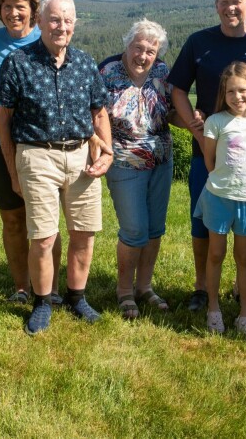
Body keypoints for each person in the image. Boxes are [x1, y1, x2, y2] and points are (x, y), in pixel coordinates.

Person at [0, 0, 114, 335]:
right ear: (40, 22)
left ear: (74, 24)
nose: (61, 27)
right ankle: (43, 301)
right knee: (44, 236)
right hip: (36, 154)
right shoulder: (19, 62)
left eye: (68, 21)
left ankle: (77, 297)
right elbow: (4, 119)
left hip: (81, 155)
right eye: (54, 19)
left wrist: (105, 152)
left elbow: (99, 111)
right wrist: (11, 167)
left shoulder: (84, 63)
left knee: (83, 233)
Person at [168, 0, 246, 314]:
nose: (231, 7)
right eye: (224, 1)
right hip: (207, 151)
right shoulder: (199, 42)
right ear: (216, 5)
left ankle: (241, 287)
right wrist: (196, 129)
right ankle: (201, 287)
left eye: (237, 1)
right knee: (203, 224)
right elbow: (178, 89)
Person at [0, 0, 63, 305]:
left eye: (20, 6)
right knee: (12, 217)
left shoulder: (47, 42)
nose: (13, 13)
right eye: (6, 6)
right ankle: (21, 287)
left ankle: (51, 288)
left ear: (33, 10)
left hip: (39, 146)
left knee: (43, 220)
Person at [98, 19, 180, 319]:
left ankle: (144, 286)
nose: (143, 56)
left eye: (150, 50)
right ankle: (123, 290)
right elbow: (94, 115)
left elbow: (172, 112)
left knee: (155, 228)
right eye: (138, 48)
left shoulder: (162, 72)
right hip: (123, 159)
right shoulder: (107, 72)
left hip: (161, 159)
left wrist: (198, 120)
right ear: (127, 44)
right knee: (134, 229)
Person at [194, 62, 246, 334]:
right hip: (219, 196)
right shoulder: (215, 122)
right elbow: (209, 159)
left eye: (243, 90)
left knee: (244, 258)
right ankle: (213, 308)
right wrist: (223, 182)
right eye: (230, 92)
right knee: (215, 253)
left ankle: (244, 314)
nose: (237, 97)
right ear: (223, 93)